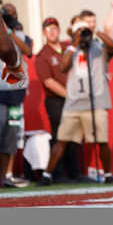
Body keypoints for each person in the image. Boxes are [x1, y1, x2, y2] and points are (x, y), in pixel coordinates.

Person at [39, 10, 113, 185]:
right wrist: (75, 42)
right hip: (73, 103)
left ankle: (108, 174)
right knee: (61, 140)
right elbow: (63, 67)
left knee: (102, 140)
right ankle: (46, 175)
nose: (83, 34)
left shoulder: (98, 48)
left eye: (84, 31)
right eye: (79, 31)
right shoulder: (70, 50)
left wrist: (95, 32)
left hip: (96, 101)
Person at [34, 17, 80, 182]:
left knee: (74, 136)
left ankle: (75, 172)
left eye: (54, 28)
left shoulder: (69, 48)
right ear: (44, 33)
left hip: (74, 99)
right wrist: (69, 95)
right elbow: (48, 82)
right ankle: (58, 173)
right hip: (57, 101)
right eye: (48, 29)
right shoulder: (43, 55)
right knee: (59, 136)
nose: (52, 32)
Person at [0, 17, 28, 189]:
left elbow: (28, 51)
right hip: (0, 91)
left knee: (10, 137)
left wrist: (8, 31)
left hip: (15, 92)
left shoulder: (17, 34)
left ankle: (3, 177)